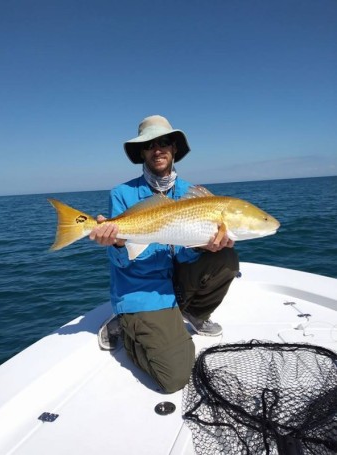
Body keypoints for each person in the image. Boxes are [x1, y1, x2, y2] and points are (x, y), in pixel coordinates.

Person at [89, 115, 239, 393]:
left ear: (174, 149)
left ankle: (192, 313)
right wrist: (118, 243)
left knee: (225, 257)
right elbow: (121, 262)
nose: (158, 149)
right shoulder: (122, 193)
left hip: (177, 282)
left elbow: (184, 255)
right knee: (175, 377)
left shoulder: (192, 193)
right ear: (142, 152)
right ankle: (126, 323)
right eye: (149, 144)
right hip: (142, 288)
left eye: (165, 142)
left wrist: (201, 246)